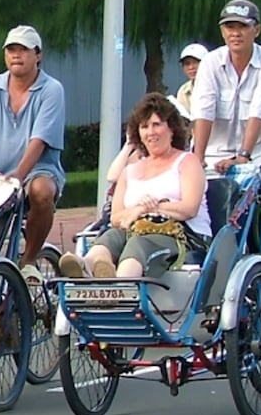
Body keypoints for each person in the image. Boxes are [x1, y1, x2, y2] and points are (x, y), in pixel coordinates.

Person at [59, 93, 210, 279]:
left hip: (182, 236)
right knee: (111, 236)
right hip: (135, 229)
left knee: (138, 243)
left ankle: (119, 287)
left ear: (171, 129)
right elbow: (116, 217)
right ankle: (89, 267)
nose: (151, 132)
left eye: (157, 124)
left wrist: (146, 209)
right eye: (144, 127)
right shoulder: (130, 170)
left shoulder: (187, 162)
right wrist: (138, 210)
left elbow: (189, 208)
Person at [0, 25, 65, 274]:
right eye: (11, 50)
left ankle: (28, 261)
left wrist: (17, 177)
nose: (16, 55)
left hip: (35, 171)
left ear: (37, 55)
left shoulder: (51, 90)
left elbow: (39, 141)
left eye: (23, 50)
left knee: (41, 191)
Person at [191, 0, 261, 174]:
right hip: (212, 156)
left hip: (258, 155)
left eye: (243, 27)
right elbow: (203, 110)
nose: (235, 33)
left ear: (257, 30)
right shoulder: (210, 62)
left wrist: (243, 157)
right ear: (222, 31)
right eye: (230, 27)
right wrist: (198, 158)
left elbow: (259, 110)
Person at [175, 42, 208, 117]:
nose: (191, 67)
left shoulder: (219, 85)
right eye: (187, 64)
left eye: (196, 62)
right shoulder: (183, 91)